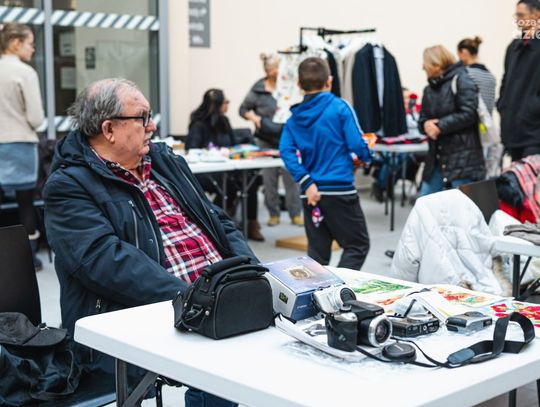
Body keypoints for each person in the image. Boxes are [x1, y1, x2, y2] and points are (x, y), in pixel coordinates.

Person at [44, 78, 256, 407]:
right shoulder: (69, 185)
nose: (152, 126)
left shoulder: (164, 162)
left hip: (214, 296)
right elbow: (106, 262)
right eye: (142, 117)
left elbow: (218, 221)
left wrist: (252, 273)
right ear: (109, 129)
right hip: (145, 311)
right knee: (222, 358)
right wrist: (196, 300)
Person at [279, 57, 372, 270]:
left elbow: (285, 151)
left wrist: (306, 181)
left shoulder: (293, 118)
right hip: (340, 189)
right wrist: (368, 155)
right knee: (357, 245)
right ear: (329, 81)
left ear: (299, 84)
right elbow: (357, 144)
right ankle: (340, 286)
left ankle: (316, 290)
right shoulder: (340, 107)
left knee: (317, 254)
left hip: (310, 193)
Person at [187, 88, 264, 241]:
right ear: (217, 105)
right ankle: (216, 222)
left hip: (227, 167)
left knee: (250, 180)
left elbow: (233, 146)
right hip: (206, 171)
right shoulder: (198, 124)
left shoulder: (224, 122)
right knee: (228, 184)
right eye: (226, 102)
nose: (228, 104)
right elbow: (192, 149)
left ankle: (251, 223)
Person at [0, 22, 44, 270]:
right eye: (30, 43)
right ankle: (30, 258)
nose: (33, 49)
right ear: (16, 43)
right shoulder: (26, 73)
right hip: (20, 143)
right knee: (25, 202)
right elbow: (36, 118)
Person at [239, 53, 302, 227]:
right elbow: (243, 109)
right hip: (265, 139)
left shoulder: (287, 85)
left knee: (292, 177)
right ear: (269, 71)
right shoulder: (258, 89)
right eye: (276, 68)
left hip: (287, 138)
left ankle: (295, 213)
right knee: (269, 180)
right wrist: (254, 117)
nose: (280, 71)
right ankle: (273, 213)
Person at [418, 45, 485, 196]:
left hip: (463, 159)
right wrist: (425, 125)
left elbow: (469, 113)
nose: (423, 67)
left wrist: (440, 126)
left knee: (464, 206)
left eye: (425, 63)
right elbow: (423, 118)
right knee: (424, 203)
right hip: (436, 158)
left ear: (436, 64)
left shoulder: (462, 79)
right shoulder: (429, 89)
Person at [498, 0, 540, 161]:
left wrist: (533, 108)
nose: (517, 20)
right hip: (514, 132)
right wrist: (502, 105)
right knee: (516, 176)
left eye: (521, 15)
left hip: (535, 133)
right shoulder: (514, 47)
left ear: (536, 15)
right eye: (516, 15)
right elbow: (505, 81)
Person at [457, 36, 502, 177]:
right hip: (487, 129)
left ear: (464, 52)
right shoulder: (490, 76)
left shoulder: (466, 75)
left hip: (470, 131)